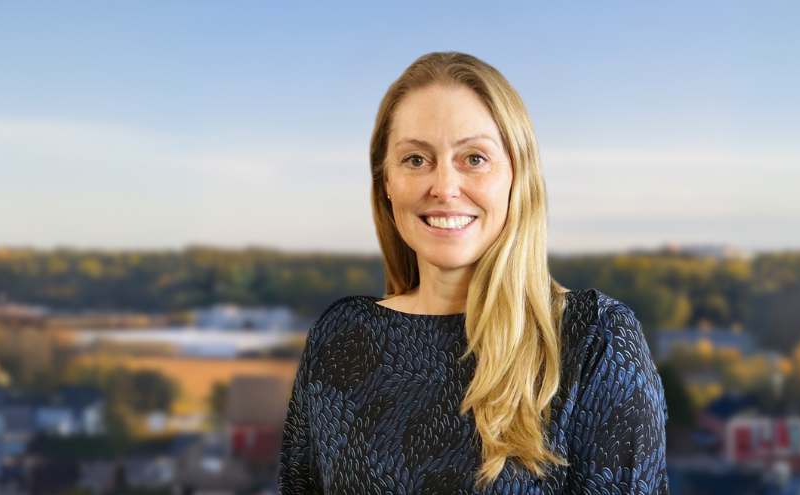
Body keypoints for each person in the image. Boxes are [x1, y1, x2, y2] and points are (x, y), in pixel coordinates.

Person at [278, 51, 669, 494]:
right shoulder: (339, 337)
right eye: (416, 159)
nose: (444, 188)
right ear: (385, 181)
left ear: (517, 176)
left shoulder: (593, 340)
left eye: (475, 158)